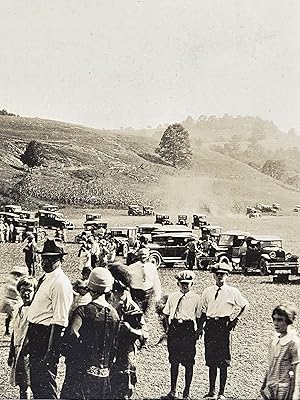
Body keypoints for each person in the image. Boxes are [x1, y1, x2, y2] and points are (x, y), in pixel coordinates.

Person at [61, 267, 119, 400]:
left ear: (90, 288)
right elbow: (115, 345)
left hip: (82, 371)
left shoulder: (83, 311)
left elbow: (72, 333)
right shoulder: (115, 315)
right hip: (104, 373)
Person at [27, 238, 73, 399]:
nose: (45, 262)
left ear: (61, 260)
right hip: (36, 334)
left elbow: (60, 321)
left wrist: (51, 352)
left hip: (46, 336)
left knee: (45, 383)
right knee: (36, 383)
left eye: (51, 258)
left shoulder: (60, 283)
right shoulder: (47, 278)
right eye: (44, 257)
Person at [198, 262, 249, 400]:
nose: (220, 276)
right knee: (211, 359)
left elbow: (245, 305)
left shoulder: (232, 291)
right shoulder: (207, 291)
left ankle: (221, 393)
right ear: (213, 275)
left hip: (223, 326)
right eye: (217, 274)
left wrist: (236, 320)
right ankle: (211, 391)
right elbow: (203, 311)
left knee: (223, 361)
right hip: (210, 326)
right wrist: (199, 328)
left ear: (227, 275)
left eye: (223, 274)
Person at [108, 262, 148, 399]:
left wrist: (129, 329)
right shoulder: (105, 301)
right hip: (106, 354)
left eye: (119, 289)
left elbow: (144, 334)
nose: (116, 294)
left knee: (124, 390)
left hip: (124, 355)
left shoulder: (132, 307)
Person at [162, 270, 202, 400]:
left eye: (187, 283)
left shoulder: (196, 298)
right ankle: (173, 391)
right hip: (175, 328)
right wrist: (168, 328)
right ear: (178, 283)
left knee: (189, 361)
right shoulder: (173, 297)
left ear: (192, 284)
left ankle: (186, 392)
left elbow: (200, 316)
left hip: (187, 328)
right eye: (182, 283)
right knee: (174, 361)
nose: (185, 286)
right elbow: (166, 313)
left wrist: (198, 331)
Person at [260, 302, 300, 400]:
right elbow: (270, 365)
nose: (275, 323)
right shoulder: (275, 339)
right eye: (274, 319)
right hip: (271, 387)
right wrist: (264, 385)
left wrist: (292, 395)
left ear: (288, 321)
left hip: (284, 389)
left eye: (280, 320)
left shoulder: (293, 342)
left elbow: (296, 371)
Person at [8, 276, 37, 399]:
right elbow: (15, 331)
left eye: (29, 290)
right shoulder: (18, 310)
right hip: (18, 350)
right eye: (23, 290)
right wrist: (11, 352)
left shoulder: (35, 310)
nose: (25, 293)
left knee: (29, 382)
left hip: (28, 352)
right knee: (21, 382)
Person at [127, 247, 161, 313]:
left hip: (148, 292)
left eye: (145, 254)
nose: (143, 256)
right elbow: (128, 280)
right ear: (138, 256)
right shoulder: (132, 267)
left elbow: (156, 281)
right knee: (137, 310)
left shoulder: (152, 267)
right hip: (136, 292)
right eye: (141, 255)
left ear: (148, 256)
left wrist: (158, 294)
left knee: (145, 310)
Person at [0, 266, 28, 335]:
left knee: (13, 317)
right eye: (15, 274)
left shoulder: (20, 282)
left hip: (16, 302)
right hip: (10, 302)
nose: (16, 276)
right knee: (11, 317)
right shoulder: (11, 282)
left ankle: (12, 331)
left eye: (18, 274)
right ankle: (8, 330)